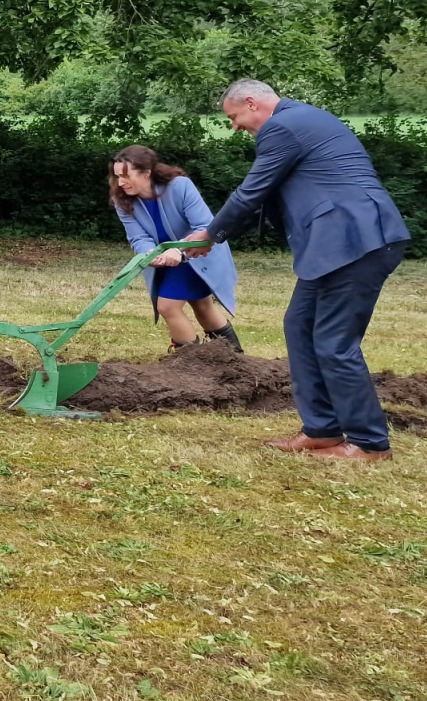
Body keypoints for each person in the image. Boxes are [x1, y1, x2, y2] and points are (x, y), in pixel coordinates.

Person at [182, 79, 411, 461]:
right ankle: (321, 430)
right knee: (300, 326)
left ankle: (370, 443)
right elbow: (268, 193)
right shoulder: (302, 120)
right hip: (336, 243)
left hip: (356, 240)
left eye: (234, 117)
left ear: (252, 103)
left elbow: (253, 191)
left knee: (335, 342)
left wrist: (211, 234)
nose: (235, 126)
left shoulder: (282, 126)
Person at [109, 145, 241, 352]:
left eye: (126, 176)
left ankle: (191, 361)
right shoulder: (122, 200)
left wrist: (178, 251)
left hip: (199, 254)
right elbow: (138, 237)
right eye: (117, 176)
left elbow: (205, 226)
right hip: (168, 262)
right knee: (202, 305)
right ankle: (233, 358)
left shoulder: (179, 186)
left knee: (168, 306)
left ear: (146, 173)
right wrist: (150, 254)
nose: (121, 182)